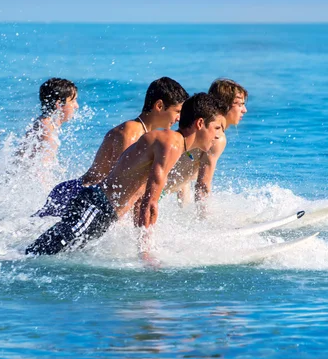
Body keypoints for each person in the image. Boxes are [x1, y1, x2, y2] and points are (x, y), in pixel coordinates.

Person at [25, 93, 225, 256]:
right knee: (37, 254)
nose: (218, 135)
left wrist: (141, 245)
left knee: (49, 254)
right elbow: (150, 202)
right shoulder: (170, 143)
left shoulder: (175, 145)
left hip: (103, 215)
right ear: (200, 124)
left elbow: (140, 199)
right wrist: (146, 253)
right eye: (216, 128)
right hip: (96, 207)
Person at [32, 76, 188, 217]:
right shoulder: (131, 132)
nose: (179, 118)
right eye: (177, 111)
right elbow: (119, 186)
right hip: (75, 195)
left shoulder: (146, 136)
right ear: (159, 106)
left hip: (87, 199)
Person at [165, 78, 248, 213]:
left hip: (151, 189)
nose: (244, 110)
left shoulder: (198, 129)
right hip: (154, 192)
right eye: (240, 104)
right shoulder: (217, 138)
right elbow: (202, 186)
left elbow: (182, 172)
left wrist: (183, 211)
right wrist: (204, 223)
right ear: (225, 105)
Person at [16, 78, 79, 190]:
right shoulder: (46, 129)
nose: (76, 106)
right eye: (73, 101)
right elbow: (41, 169)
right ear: (59, 104)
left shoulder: (45, 123)